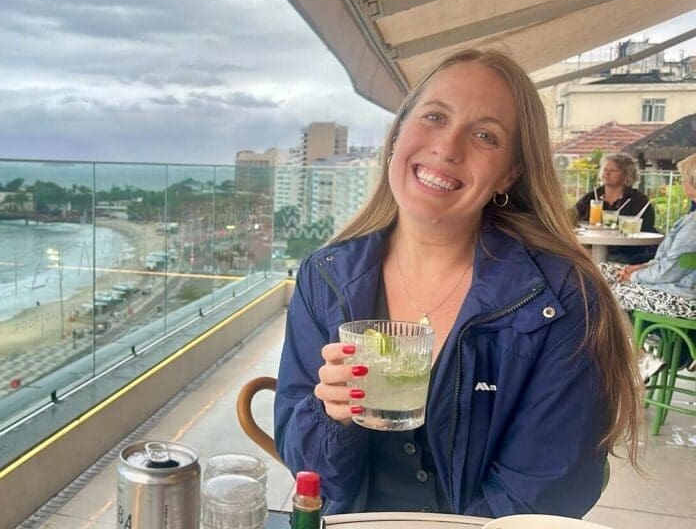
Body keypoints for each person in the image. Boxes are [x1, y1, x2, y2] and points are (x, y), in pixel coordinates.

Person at [275, 49, 642, 519]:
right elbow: (311, 481)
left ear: (510, 173)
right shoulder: (324, 278)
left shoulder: (563, 302)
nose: (448, 148)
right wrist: (332, 419)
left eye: (485, 135)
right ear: (398, 134)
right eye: (434, 117)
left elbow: (540, 496)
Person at [600, 153, 696, 365]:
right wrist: (640, 268)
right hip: (680, 288)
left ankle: (639, 357)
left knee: (610, 290)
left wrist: (635, 277)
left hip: (683, 298)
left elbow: (668, 271)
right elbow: (673, 264)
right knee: (602, 271)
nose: (680, 182)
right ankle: (649, 345)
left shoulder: (693, 225)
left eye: (683, 178)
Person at [573, 153, 656, 263]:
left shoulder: (638, 201)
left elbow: (645, 229)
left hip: (626, 255)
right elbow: (572, 217)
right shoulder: (592, 198)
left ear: (626, 175)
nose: (607, 173)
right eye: (605, 169)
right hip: (589, 249)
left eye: (613, 170)